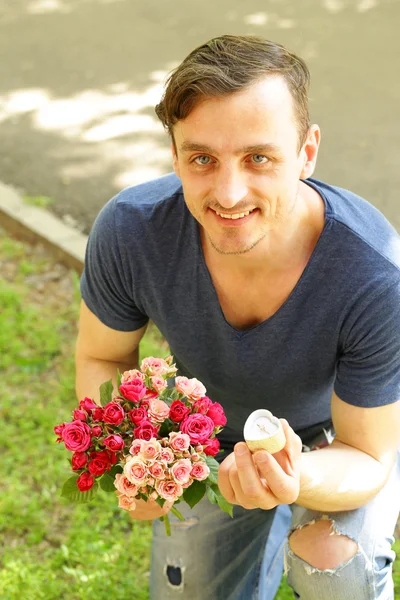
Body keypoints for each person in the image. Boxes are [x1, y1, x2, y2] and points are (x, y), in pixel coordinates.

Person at [75, 35, 400, 599]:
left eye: (259, 158)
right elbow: (102, 354)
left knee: (332, 563)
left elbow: (368, 455)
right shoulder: (130, 232)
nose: (228, 193)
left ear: (307, 152)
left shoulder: (375, 274)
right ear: (174, 155)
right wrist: (134, 455)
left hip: (342, 437)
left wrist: (290, 478)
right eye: (202, 158)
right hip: (207, 437)